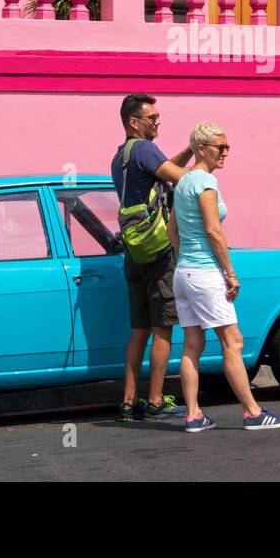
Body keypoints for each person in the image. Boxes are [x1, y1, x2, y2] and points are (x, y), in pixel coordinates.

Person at [169, 121, 280, 432]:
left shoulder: (183, 182)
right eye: (219, 147)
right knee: (232, 342)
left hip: (184, 272)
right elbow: (213, 230)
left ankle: (194, 415)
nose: (225, 152)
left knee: (192, 344)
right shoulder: (206, 183)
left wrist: (185, 259)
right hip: (205, 273)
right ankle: (252, 412)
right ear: (200, 149)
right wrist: (230, 273)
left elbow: (172, 230)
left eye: (227, 147)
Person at [112, 94, 193, 421]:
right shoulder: (144, 148)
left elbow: (162, 172)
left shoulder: (122, 156)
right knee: (163, 328)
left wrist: (188, 150)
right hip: (158, 250)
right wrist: (202, 165)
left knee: (139, 329)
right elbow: (178, 177)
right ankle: (157, 400)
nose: (157, 122)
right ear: (134, 122)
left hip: (134, 251)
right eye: (152, 118)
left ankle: (129, 401)